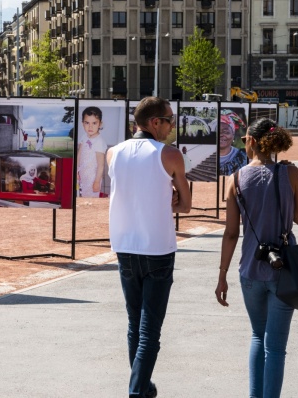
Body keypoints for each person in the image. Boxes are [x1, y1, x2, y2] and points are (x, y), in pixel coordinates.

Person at [215, 118, 298, 398]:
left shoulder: (235, 179)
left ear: (253, 142)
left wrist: (222, 275)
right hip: (284, 270)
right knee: (276, 346)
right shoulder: (290, 173)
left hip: (250, 269)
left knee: (258, 336)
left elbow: (231, 233)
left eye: (244, 139)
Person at [107, 97, 191, 398]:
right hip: (157, 247)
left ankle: (142, 387)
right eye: (169, 119)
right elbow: (186, 205)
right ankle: (136, 390)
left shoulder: (112, 153)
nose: (172, 125)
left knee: (134, 324)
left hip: (125, 246)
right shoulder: (169, 155)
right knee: (150, 331)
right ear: (155, 122)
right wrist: (166, 198)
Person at [77, 107, 107, 197]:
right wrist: (76, 171)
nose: (90, 126)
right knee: (80, 197)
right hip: (82, 175)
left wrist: (97, 181)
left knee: (90, 201)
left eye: (94, 123)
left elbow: (100, 165)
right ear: (83, 124)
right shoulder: (84, 137)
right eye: (87, 123)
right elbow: (79, 154)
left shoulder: (99, 141)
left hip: (92, 178)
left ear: (100, 124)